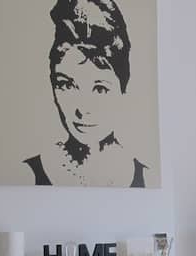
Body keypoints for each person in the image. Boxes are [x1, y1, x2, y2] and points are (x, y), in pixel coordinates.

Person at [23, 0, 148, 187]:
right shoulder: (27, 175)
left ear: (123, 89)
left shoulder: (147, 179)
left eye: (100, 89)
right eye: (66, 85)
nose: (82, 110)